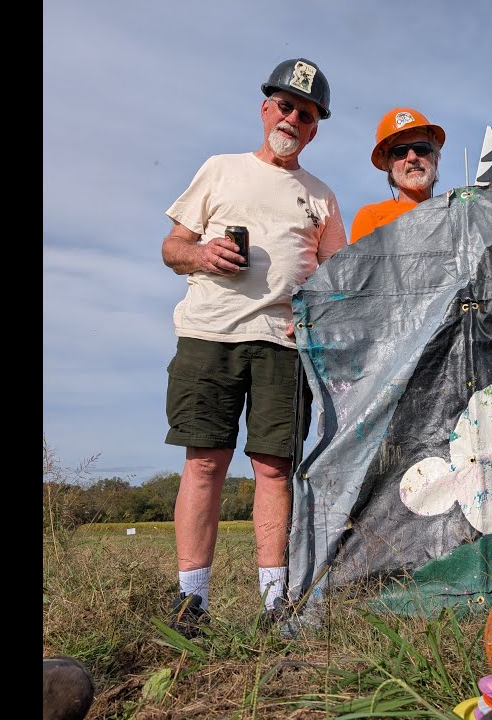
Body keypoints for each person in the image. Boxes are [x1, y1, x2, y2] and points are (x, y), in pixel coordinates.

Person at [159, 57, 347, 635]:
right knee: (205, 463)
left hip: (282, 345)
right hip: (209, 333)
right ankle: (192, 602)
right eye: (286, 105)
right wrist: (202, 254)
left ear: (315, 129)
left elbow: (336, 277)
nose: (293, 118)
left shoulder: (321, 197)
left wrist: (313, 316)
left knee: (273, 467)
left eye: (307, 114)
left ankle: (275, 604)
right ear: (266, 106)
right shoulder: (220, 169)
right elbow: (172, 247)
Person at [350, 107, 445, 242]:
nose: (412, 158)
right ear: (388, 165)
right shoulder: (372, 218)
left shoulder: (455, 214)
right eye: (400, 151)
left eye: (421, 148)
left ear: (435, 160)